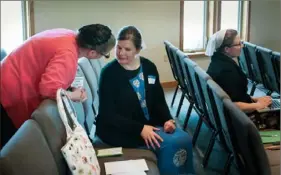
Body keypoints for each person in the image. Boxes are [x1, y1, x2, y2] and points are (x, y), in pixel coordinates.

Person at [96, 26, 194, 175]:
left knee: (184, 139)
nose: (121, 53)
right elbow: (107, 115)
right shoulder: (109, 73)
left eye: (127, 49)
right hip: (120, 130)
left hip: (147, 125)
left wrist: (168, 119)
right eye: (118, 48)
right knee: (173, 144)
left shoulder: (148, 67)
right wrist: (140, 128)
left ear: (138, 50)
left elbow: (159, 100)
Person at [0, 24, 116, 148]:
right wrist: (72, 95)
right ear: (92, 53)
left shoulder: (68, 35)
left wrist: (70, 87)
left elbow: (51, 68)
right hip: (7, 95)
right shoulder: (68, 54)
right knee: (8, 152)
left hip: (7, 78)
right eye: (106, 55)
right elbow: (47, 90)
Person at [206, 29, 279, 128]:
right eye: (238, 44)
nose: (242, 46)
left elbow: (233, 95)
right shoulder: (227, 71)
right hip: (240, 120)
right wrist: (258, 105)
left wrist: (256, 99)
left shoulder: (218, 62)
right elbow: (231, 105)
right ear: (227, 49)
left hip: (231, 117)